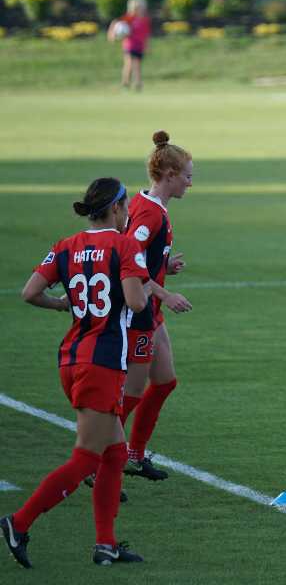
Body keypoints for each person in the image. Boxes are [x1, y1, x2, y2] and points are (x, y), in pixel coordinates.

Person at [2, 178, 149, 568]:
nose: (129, 212)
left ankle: (106, 545)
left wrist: (62, 305)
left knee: (114, 454)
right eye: (126, 206)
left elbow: (30, 292)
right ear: (116, 209)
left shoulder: (65, 246)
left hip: (72, 359)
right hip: (101, 363)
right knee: (86, 458)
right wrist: (150, 288)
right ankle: (19, 522)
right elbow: (135, 302)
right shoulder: (125, 244)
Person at [119, 131, 194, 482]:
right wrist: (166, 293)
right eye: (188, 177)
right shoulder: (149, 215)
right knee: (132, 391)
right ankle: (98, 457)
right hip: (139, 310)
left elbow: (143, 260)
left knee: (164, 382)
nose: (190, 185)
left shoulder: (148, 205)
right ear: (169, 175)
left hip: (151, 309)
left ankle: (133, 455)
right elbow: (128, 264)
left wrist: (165, 267)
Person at [107, 0, 151, 91]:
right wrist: (112, 35)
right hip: (129, 45)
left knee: (138, 65)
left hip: (139, 46)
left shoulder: (144, 20)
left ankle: (138, 84)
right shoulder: (128, 18)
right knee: (129, 64)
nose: (138, 10)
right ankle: (125, 83)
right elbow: (115, 23)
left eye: (140, 8)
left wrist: (147, 45)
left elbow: (146, 34)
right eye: (136, 8)